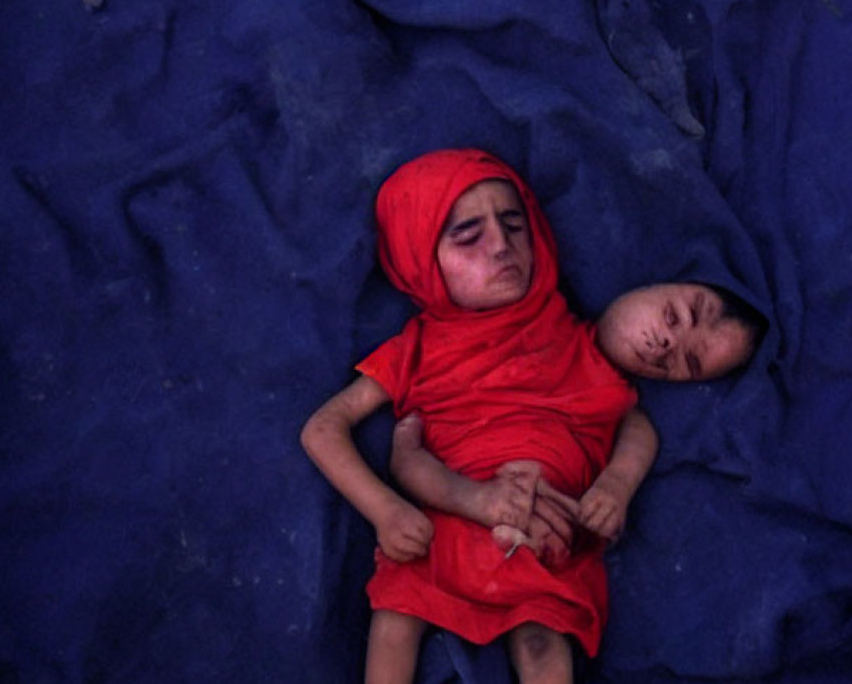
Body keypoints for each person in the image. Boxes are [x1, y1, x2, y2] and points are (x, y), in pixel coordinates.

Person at [301, 148, 659, 684]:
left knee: (541, 638)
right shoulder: (415, 349)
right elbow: (322, 428)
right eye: (468, 236)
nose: (501, 246)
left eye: (515, 225)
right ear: (421, 260)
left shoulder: (566, 334)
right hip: (443, 517)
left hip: (541, 526)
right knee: (396, 616)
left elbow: (632, 417)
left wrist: (616, 486)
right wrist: (385, 511)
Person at [388, 280, 765, 572]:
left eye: (689, 363)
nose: (668, 343)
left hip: (529, 536)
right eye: (674, 316)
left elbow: (639, 432)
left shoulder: (616, 394)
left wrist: (615, 486)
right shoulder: (537, 306)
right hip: (447, 499)